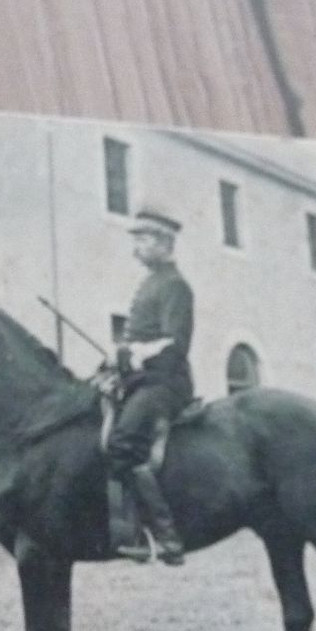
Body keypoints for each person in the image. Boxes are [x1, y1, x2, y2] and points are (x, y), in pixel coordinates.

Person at [107, 206, 194, 565]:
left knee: (124, 443)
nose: (136, 248)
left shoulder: (175, 285)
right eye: (136, 239)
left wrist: (136, 354)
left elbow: (176, 343)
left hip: (166, 382)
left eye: (143, 239)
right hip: (142, 379)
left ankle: (164, 535)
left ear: (164, 243)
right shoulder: (149, 282)